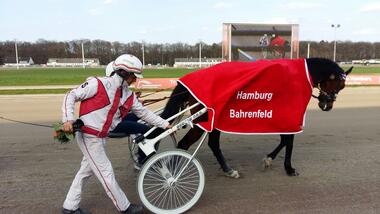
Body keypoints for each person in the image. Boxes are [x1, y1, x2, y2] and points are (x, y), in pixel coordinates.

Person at [61, 54, 170, 214]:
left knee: (85, 172)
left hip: (100, 138)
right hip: (88, 137)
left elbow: (144, 113)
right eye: (134, 76)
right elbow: (70, 95)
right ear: (124, 73)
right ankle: (124, 207)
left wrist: (166, 124)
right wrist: (68, 119)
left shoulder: (128, 95)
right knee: (106, 173)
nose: (135, 80)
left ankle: (70, 207)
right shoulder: (97, 84)